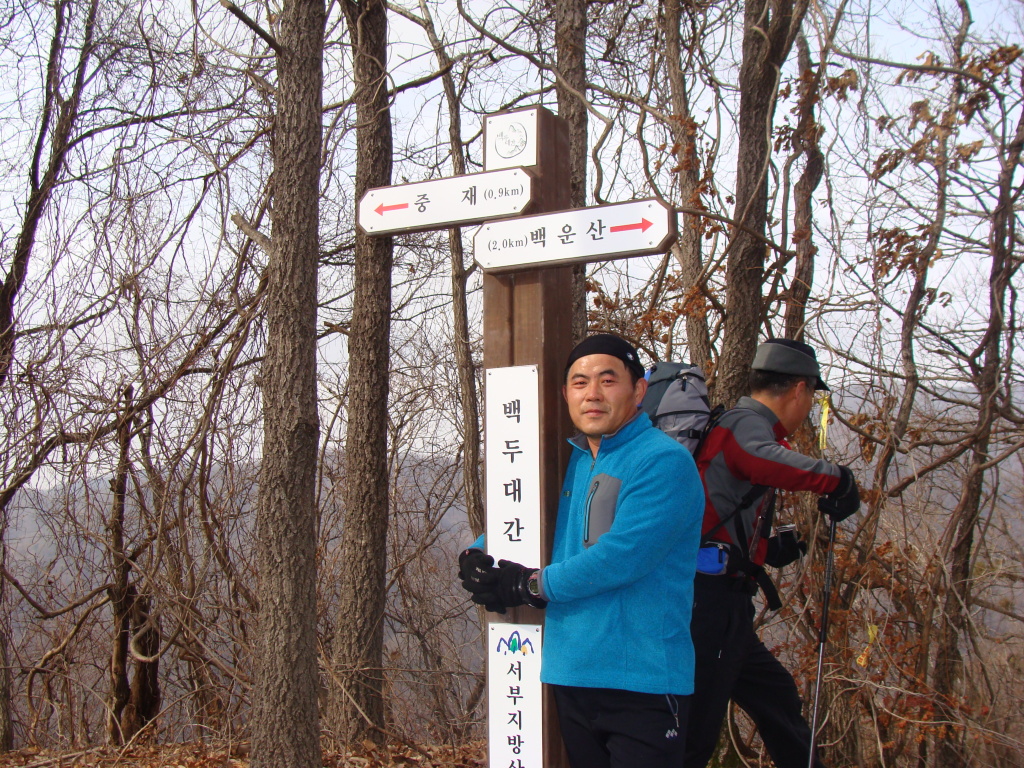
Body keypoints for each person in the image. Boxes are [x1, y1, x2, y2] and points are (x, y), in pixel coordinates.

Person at [459, 333, 705, 768]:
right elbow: (538, 521)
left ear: (638, 390)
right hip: (571, 672)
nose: (592, 393)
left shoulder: (662, 461)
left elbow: (623, 555)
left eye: (608, 380)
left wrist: (529, 584)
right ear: (566, 394)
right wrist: (482, 553)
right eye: (579, 382)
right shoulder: (570, 458)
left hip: (642, 681)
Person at [683, 338, 861, 768]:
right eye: (812, 395)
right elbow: (757, 460)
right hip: (708, 605)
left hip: (723, 602)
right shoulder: (745, 424)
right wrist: (836, 479)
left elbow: (723, 504)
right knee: (697, 730)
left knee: (776, 696)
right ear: (799, 389)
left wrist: (765, 549)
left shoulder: (736, 421)